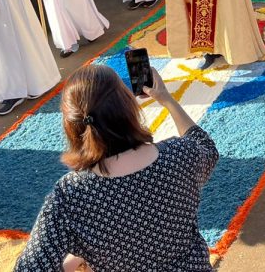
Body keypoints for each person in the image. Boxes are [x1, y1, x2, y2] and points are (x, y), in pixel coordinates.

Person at [13, 65, 219, 271]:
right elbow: (206, 147)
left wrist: (75, 260)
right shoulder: (180, 155)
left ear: (72, 125)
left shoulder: (70, 196)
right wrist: (166, 99)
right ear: (128, 107)